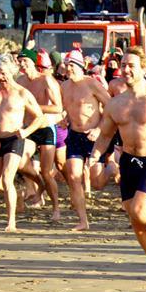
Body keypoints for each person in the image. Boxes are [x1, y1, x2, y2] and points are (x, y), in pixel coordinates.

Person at [89, 47, 146, 280]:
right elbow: (105, 135)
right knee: (135, 219)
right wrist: (95, 156)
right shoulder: (116, 103)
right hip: (128, 162)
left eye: (131, 65)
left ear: (144, 68)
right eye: (123, 65)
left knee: (139, 210)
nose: (126, 69)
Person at [0, 54, 45, 232]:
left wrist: (26, 131)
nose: (0, 77)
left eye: (3, 73)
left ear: (12, 71)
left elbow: (39, 116)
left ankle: (11, 222)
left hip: (15, 139)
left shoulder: (22, 93)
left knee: (7, 177)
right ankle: (16, 195)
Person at [60, 48, 111, 230]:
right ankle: (83, 220)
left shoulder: (92, 84)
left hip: (94, 135)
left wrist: (99, 129)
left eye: (72, 65)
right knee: (73, 176)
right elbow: (68, 109)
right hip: (74, 135)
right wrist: (64, 118)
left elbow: (110, 107)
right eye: (66, 65)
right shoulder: (64, 87)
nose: (68, 68)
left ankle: (112, 168)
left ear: (81, 67)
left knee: (97, 183)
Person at [16, 48, 63, 222]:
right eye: (19, 61)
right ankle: (40, 186)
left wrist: (34, 107)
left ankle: (56, 208)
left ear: (34, 63)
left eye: (25, 61)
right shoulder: (20, 81)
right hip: (29, 128)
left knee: (46, 171)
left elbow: (58, 108)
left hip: (45, 127)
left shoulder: (46, 81)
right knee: (21, 163)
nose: (22, 65)